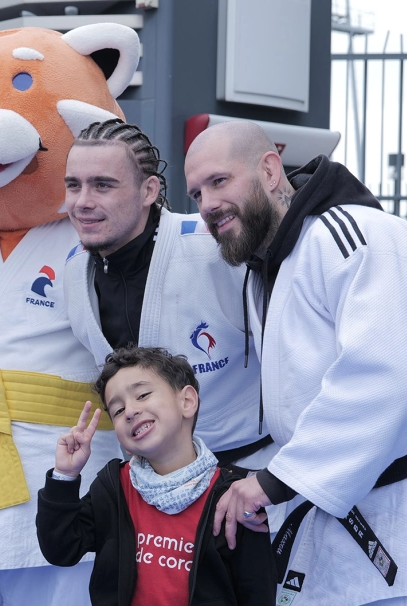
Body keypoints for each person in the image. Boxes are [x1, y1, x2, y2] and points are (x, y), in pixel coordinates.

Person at [185, 120, 407, 605]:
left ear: (270, 171)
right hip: (341, 510)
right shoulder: (267, 267)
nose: (207, 204)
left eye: (219, 181)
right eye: (196, 193)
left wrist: (275, 481)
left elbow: (389, 380)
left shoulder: (359, 234)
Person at [63, 119, 272, 473]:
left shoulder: (214, 249)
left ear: (148, 190)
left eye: (102, 185)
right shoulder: (73, 269)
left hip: (249, 472)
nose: (83, 202)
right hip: (148, 487)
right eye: (73, 185)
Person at [37, 346, 275, 605]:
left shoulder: (234, 495)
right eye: (117, 410)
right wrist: (65, 475)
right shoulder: (114, 487)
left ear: (187, 402)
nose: (130, 411)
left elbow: (257, 590)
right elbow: (60, 549)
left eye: (142, 394)